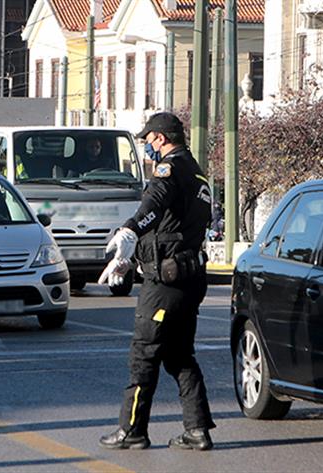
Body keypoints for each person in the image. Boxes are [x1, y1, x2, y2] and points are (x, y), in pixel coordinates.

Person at [97, 112, 216, 451]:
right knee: (180, 355)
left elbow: (155, 202)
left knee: (144, 354)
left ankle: (132, 430)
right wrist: (132, 258)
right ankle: (197, 430)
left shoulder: (170, 169)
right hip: (189, 277)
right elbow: (171, 227)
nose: (147, 147)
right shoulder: (196, 171)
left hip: (165, 284)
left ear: (161, 139)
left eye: (148, 140)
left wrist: (130, 229)